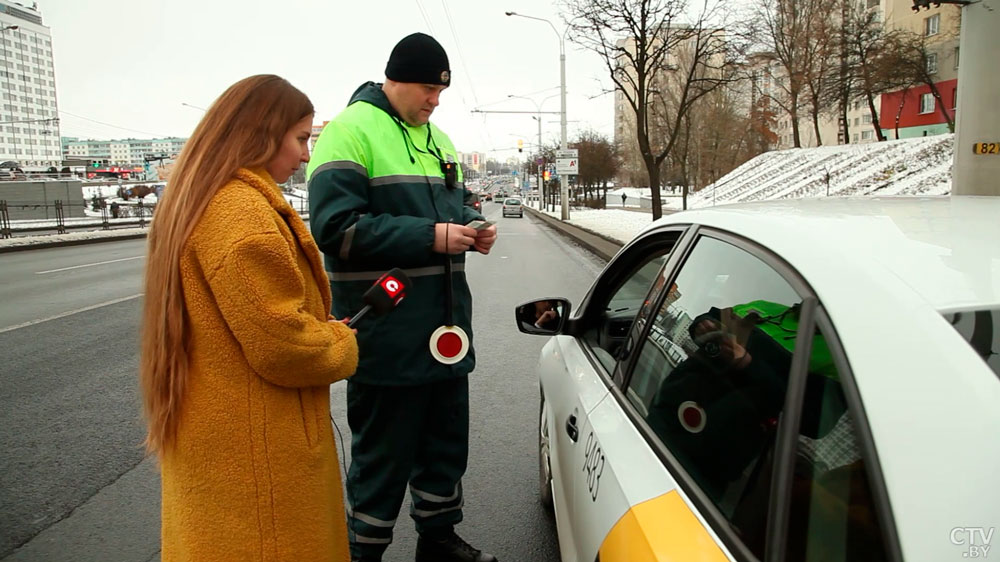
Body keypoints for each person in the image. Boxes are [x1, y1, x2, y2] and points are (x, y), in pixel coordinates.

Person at [139, 75, 359, 562]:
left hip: (215, 435)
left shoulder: (197, 198)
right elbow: (285, 347)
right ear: (263, 133)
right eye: (301, 138)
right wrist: (338, 342)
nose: (306, 155)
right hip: (260, 456)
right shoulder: (244, 217)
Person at [307, 33, 498, 562]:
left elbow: (454, 208)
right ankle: (363, 551)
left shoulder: (439, 141)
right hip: (384, 329)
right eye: (426, 89)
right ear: (394, 78)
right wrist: (430, 235)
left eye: (440, 92)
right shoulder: (348, 132)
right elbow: (336, 230)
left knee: (444, 444)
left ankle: (438, 540)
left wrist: (472, 225)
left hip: (445, 329)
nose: (434, 101)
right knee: (382, 455)